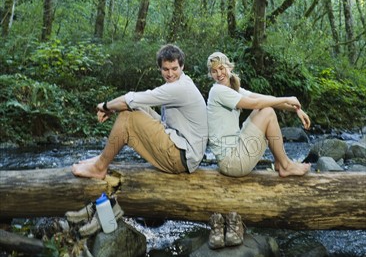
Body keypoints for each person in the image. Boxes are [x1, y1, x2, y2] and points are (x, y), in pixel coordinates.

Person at [72, 44, 208, 179]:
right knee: (137, 107)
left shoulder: (179, 88)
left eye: (174, 68)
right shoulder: (181, 83)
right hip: (183, 151)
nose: (170, 74)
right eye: (165, 69)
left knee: (127, 117)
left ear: (182, 66)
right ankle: (102, 158)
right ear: (160, 68)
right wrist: (115, 108)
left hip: (182, 158)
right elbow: (135, 102)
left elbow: (129, 99)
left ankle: (99, 168)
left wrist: (105, 106)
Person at [206, 52, 311, 178]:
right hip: (231, 163)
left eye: (221, 68)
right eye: (214, 71)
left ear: (230, 67)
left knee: (266, 108)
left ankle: (280, 162)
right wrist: (288, 99)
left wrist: (295, 109)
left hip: (234, 153)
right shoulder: (218, 91)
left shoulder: (234, 90)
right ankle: (286, 165)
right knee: (267, 112)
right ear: (210, 74)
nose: (218, 74)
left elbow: (266, 98)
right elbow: (256, 103)